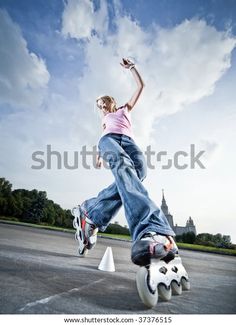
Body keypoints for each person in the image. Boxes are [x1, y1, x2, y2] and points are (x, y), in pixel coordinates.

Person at [72, 58, 178, 266]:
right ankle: (150, 229)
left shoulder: (123, 110)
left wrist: (132, 68)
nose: (101, 107)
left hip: (128, 142)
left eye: (104, 103)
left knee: (139, 173)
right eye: (99, 106)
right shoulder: (104, 124)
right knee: (123, 168)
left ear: (111, 102)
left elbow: (141, 87)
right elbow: (102, 139)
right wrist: (99, 156)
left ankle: (91, 212)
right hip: (108, 141)